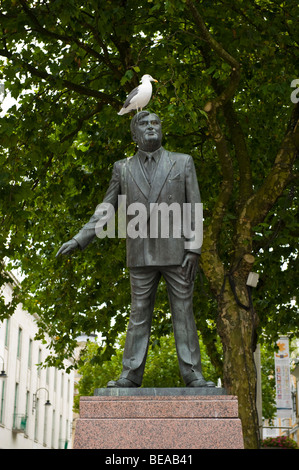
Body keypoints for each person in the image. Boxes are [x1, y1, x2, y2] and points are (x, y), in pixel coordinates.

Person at [56, 111, 215, 388]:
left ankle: (193, 373)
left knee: (184, 313)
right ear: (134, 134)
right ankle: (130, 374)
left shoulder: (183, 162)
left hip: (178, 251)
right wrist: (80, 239)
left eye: (156, 122)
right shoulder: (122, 168)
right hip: (140, 252)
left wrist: (194, 249)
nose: (151, 126)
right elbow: (106, 210)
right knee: (138, 314)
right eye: (144, 123)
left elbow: (194, 207)